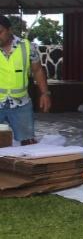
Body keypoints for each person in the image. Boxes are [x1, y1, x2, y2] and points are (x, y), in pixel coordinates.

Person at [0, 15, 51, 144]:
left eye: (0, 32)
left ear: (10, 30)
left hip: (21, 105)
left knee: (27, 144)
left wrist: (45, 94)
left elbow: (38, 70)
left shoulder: (27, 47)